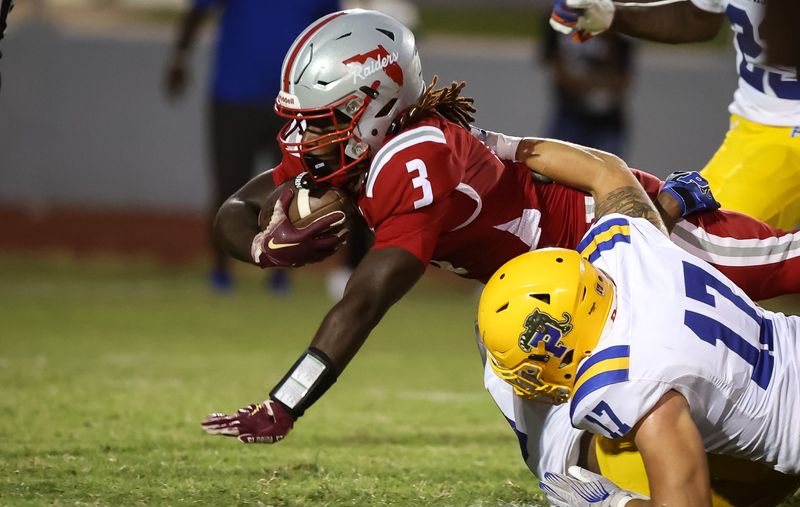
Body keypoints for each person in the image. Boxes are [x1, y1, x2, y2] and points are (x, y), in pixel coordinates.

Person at [201, 10, 800, 451]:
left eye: (322, 121)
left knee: (783, 268)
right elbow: (235, 208)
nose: (305, 141)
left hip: (617, 239)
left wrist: (284, 403)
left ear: (376, 108)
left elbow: (365, 301)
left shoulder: (416, 159)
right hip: (558, 291)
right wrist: (259, 246)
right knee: (542, 410)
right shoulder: (361, 149)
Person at [477, 135, 800, 507]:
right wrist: (493, 142)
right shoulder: (628, 251)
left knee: (577, 457)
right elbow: (605, 170)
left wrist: (615, 503)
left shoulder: (627, 378)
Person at [548, 0, 800, 231]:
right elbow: (699, 16)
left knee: (709, 241)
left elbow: (779, 41)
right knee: (684, 233)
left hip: (790, 125)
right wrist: (612, 14)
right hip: (753, 125)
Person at [163, 0, 340, 291]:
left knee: (292, 186)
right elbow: (198, 11)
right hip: (234, 95)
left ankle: (282, 270)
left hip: (294, 99)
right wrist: (180, 56)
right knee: (228, 184)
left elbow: (333, 31)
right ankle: (221, 270)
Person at [541, 15, 635, 157]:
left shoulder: (618, 24)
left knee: (609, 173)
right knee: (558, 170)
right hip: (569, 115)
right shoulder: (559, 19)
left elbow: (622, 82)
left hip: (609, 120)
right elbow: (559, 73)